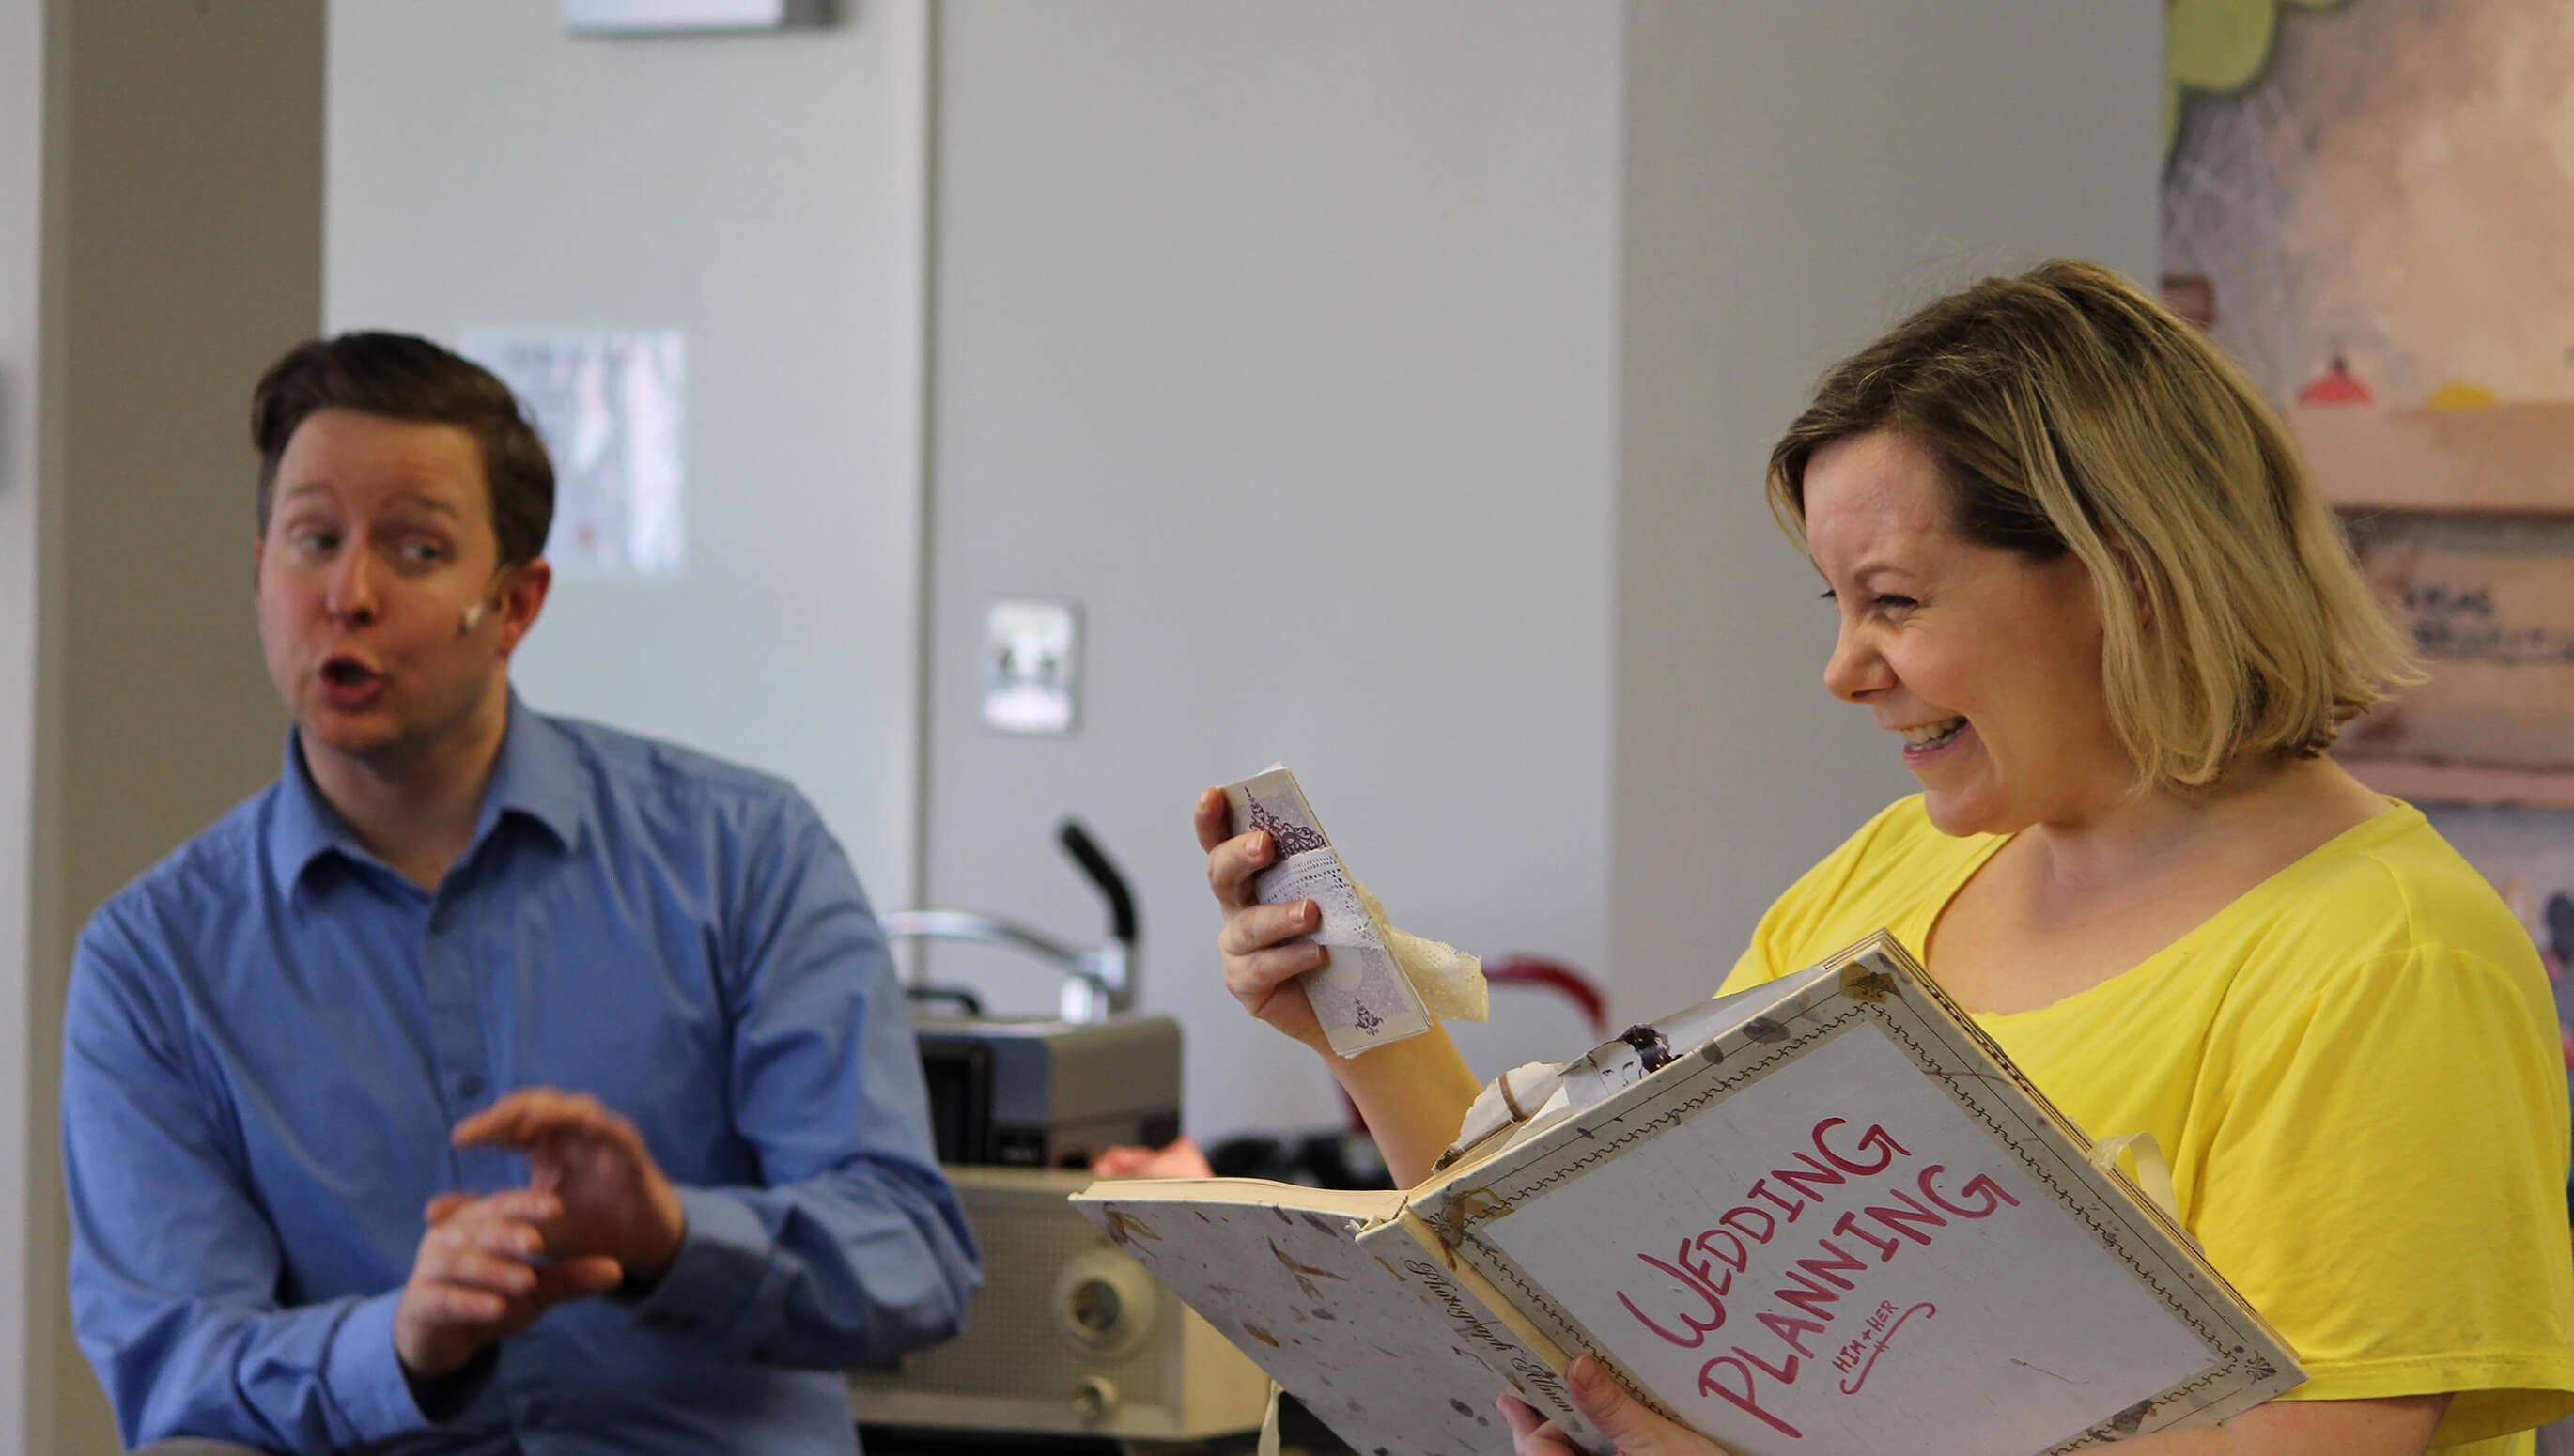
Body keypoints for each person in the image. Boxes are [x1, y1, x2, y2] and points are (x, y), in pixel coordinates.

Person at [1196, 260, 2574, 1456]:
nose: (1845, 670)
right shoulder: (1886, 881)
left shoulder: (2387, 958)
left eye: (1895, 603)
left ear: (2129, 576)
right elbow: (1607, 1272)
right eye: (1839, 604)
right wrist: (1362, 1014)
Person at [60, 332, 981, 1454]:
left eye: (414, 549)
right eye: (313, 540)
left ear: (514, 604)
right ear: (260, 575)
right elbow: (176, 1364)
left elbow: (911, 1252)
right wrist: (396, 1341)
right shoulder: (157, 959)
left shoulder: (743, 853)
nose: (348, 594)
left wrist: (669, 1234)